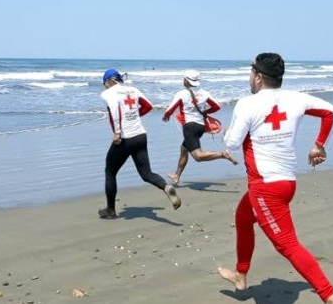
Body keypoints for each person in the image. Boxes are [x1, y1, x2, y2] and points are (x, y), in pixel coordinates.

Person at [217, 53, 333, 304]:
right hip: (286, 183)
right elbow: (331, 112)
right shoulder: (296, 98)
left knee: (288, 245)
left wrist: (225, 131)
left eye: (250, 72)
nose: (249, 77)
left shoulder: (247, 104)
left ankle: (330, 295)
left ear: (257, 76)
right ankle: (241, 275)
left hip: (265, 188)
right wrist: (319, 145)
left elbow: (232, 142)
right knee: (243, 217)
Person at [98, 68, 181, 219]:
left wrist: (117, 132)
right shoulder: (133, 90)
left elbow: (116, 110)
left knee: (110, 171)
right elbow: (148, 106)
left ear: (109, 80)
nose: (105, 87)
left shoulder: (108, 93)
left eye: (105, 84)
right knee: (146, 173)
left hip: (125, 137)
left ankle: (110, 210)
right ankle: (166, 187)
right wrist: (133, 116)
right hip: (140, 135)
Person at [162, 70, 238, 184]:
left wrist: (166, 115)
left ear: (186, 81)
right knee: (184, 149)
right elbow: (217, 106)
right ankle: (176, 176)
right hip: (200, 127)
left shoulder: (182, 94)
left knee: (198, 156)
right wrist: (205, 111)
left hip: (189, 127)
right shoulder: (204, 93)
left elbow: (170, 109)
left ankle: (223, 154)